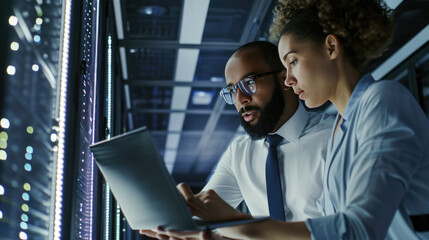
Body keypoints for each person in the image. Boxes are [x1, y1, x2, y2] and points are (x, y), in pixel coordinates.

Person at [158, 0, 429, 239]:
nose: (288, 79)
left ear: (331, 47)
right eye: (285, 67)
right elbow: (327, 228)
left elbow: (356, 230)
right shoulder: (341, 130)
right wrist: (228, 226)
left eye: (293, 62)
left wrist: (238, 227)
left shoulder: (383, 100)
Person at [140, 41, 335, 239]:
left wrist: (236, 223)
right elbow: (204, 213)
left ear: (284, 78)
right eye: (232, 90)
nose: (240, 99)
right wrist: (177, 222)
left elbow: (351, 228)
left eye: (249, 83)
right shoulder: (239, 153)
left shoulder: (334, 137)